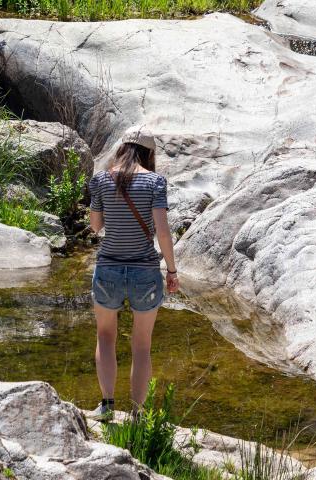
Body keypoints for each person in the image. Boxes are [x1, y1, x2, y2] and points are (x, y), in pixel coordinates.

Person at [87, 126, 179, 422]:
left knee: (105, 336)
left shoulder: (101, 180)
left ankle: (106, 405)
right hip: (145, 272)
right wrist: (172, 270)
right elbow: (162, 233)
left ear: (121, 149)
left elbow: (95, 227)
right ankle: (139, 415)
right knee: (141, 346)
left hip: (108, 268)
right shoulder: (155, 182)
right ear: (149, 154)